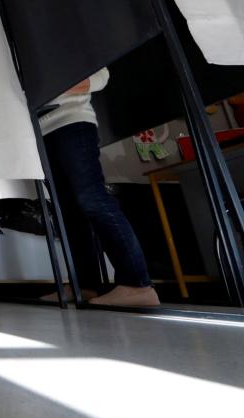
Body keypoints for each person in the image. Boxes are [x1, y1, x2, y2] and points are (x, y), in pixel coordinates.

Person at [40, 68, 160, 306]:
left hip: (73, 120)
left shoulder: (63, 35)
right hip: (41, 129)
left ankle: (137, 284)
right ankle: (85, 285)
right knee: (68, 212)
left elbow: (99, 76)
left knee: (91, 197)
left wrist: (53, 86)